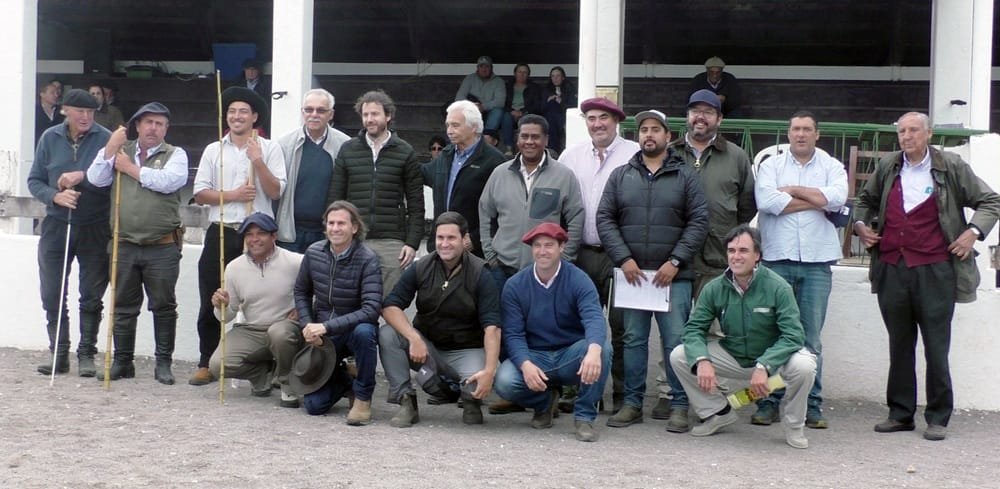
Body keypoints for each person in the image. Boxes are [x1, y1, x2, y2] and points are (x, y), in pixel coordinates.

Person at [854, 112, 1000, 441]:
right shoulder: (889, 165)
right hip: (893, 267)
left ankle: (938, 417)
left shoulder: (950, 166)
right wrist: (862, 227)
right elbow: (864, 200)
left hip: (935, 270)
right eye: (902, 131)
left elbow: (990, 200)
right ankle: (901, 414)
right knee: (900, 345)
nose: (906, 136)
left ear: (928, 133)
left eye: (913, 130)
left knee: (936, 346)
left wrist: (972, 233)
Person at [598, 109, 709, 432]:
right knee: (633, 339)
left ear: (668, 135)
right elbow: (605, 219)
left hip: (673, 277)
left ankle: (678, 405)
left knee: (676, 342)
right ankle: (632, 404)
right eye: (643, 129)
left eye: (655, 129)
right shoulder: (621, 175)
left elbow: (699, 221)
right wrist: (623, 259)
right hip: (633, 276)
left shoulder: (686, 175)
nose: (649, 134)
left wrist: (675, 261)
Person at [670, 225, 816, 449]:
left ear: (757, 255)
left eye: (743, 251)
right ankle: (718, 412)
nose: (736, 256)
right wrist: (702, 360)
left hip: (772, 363)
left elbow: (794, 335)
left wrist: (764, 365)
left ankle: (794, 425)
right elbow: (693, 330)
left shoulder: (778, 287)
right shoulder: (714, 287)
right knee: (680, 355)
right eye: (731, 250)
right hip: (735, 355)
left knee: (805, 365)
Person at [753, 110, 848, 428]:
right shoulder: (771, 165)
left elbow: (838, 200)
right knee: (773, 334)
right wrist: (816, 200)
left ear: (817, 134)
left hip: (817, 263)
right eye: (796, 129)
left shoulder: (832, 166)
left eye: (807, 129)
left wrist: (793, 190)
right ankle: (769, 402)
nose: (801, 134)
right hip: (776, 260)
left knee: (811, 339)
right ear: (788, 133)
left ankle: (812, 405)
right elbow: (767, 202)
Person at [189, 86, 286, 386]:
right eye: (232, 111)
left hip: (256, 234)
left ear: (254, 117)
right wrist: (233, 194)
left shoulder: (269, 148)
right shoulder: (212, 150)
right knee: (213, 296)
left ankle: (262, 366)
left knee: (262, 299)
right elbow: (200, 193)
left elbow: (275, 191)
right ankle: (207, 361)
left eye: (243, 111)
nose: (237, 116)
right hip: (222, 231)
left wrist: (257, 161)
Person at [86, 102, 188, 384]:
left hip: (162, 245)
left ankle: (163, 363)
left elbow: (169, 181)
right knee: (122, 306)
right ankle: (122, 362)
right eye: (148, 122)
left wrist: (129, 168)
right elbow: (95, 178)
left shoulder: (175, 154)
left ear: (166, 129)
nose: (153, 128)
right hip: (125, 244)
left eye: (159, 124)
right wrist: (110, 148)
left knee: (164, 306)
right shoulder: (119, 150)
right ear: (137, 125)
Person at [379, 212, 502, 427]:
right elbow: (390, 307)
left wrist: (490, 371)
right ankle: (406, 401)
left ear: (464, 240)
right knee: (388, 334)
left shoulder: (481, 273)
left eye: (451, 238)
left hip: (466, 349)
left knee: (476, 386)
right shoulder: (421, 267)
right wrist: (414, 339)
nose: (444, 244)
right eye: (440, 238)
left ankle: (469, 401)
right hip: (427, 346)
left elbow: (492, 328)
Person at [493, 222, 611, 442]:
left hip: (570, 354)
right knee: (504, 381)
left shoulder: (579, 279)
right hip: (535, 356)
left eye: (549, 245)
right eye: (537, 246)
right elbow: (513, 335)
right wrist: (525, 365)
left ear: (562, 247)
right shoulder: (515, 285)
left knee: (602, 349)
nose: (542, 251)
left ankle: (584, 417)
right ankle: (545, 403)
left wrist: (593, 351)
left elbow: (594, 317)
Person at [558, 97, 639, 414]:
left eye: (603, 118)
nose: (597, 124)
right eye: (591, 118)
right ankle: (575, 389)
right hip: (581, 252)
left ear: (616, 120)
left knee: (622, 328)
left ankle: (622, 394)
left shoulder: (633, 153)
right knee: (575, 324)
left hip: (622, 255)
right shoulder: (571, 155)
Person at [28, 89, 112, 376]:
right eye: (80, 111)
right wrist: (54, 196)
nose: (86, 117)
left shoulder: (106, 138)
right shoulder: (49, 138)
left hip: (95, 224)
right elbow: (35, 180)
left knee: (91, 293)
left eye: (90, 112)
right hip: (56, 224)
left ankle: (86, 352)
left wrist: (84, 177)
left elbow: (115, 177)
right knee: (52, 291)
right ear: (66, 110)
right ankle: (59, 352)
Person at [293, 201, 382, 425]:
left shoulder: (368, 258)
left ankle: (363, 396)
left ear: (354, 228)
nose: (335, 228)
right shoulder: (314, 253)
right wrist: (307, 324)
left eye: (341, 223)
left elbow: (371, 309)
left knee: (365, 332)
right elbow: (301, 291)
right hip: (322, 333)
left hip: (352, 332)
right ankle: (346, 380)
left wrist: (327, 327)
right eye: (331, 223)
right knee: (314, 407)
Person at [330, 90, 424, 295]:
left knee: (390, 304)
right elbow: (336, 199)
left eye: (375, 114)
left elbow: (416, 203)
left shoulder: (405, 151)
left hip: (392, 242)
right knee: (353, 301)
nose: (369, 119)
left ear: (388, 116)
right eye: (365, 115)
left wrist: (412, 242)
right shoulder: (348, 150)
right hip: (354, 239)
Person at [207, 213, 305, 407]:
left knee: (279, 333)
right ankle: (262, 375)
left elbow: (321, 290)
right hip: (252, 329)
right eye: (249, 234)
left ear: (274, 236)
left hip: (287, 327)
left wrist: (304, 309)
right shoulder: (234, 268)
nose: (254, 239)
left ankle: (287, 385)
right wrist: (220, 306)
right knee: (217, 365)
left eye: (261, 233)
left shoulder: (296, 261)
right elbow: (227, 317)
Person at [478, 114, 584, 290]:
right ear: (517, 138)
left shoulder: (564, 176)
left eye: (535, 137)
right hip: (502, 268)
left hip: (545, 270)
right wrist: (490, 255)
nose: (529, 141)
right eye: (524, 136)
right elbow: (485, 213)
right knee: (503, 318)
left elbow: (576, 218)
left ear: (546, 140)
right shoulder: (500, 174)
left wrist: (564, 258)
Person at [670, 89, 756, 296]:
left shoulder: (736, 156)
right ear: (687, 117)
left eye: (708, 112)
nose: (700, 117)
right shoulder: (670, 153)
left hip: (717, 258)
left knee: (712, 326)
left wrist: (724, 230)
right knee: (675, 328)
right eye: (694, 111)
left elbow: (747, 204)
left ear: (719, 119)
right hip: (674, 259)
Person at [422, 100, 506, 258]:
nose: (449, 131)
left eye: (455, 125)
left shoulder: (494, 161)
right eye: (447, 125)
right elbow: (422, 174)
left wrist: (475, 238)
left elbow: (503, 210)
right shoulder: (445, 155)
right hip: (441, 248)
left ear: (474, 127)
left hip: (475, 252)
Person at [275, 88, 351, 253]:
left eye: (321, 110)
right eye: (308, 110)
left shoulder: (345, 145)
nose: (314, 114)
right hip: (290, 233)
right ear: (302, 112)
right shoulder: (284, 144)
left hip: (328, 234)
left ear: (331, 114)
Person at [454, 55, 506, 135]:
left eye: (487, 66)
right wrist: (472, 106)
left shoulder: (499, 81)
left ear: (491, 68)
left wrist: (483, 107)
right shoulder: (469, 78)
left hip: (489, 112)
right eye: (481, 66)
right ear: (477, 68)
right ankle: (455, 142)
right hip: (471, 111)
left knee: (498, 111)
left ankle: (487, 138)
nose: (484, 69)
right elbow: (459, 98)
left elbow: (500, 102)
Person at [500, 63, 543, 147]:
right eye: (519, 72)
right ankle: (508, 147)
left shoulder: (534, 87)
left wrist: (523, 112)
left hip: (526, 112)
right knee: (506, 117)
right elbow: (502, 102)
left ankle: (522, 146)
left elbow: (537, 104)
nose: (522, 74)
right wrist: (511, 111)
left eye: (525, 72)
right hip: (510, 112)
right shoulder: (507, 86)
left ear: (528, 75)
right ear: (515, 73)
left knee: (527, 119)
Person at [541, 66, 576, 153]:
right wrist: (548, 100)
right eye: (553, 76)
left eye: (558, 76)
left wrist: (561, 101)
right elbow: (540, 108)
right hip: (550, 118)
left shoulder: (570, 88)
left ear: (563, 77)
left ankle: (554, 150)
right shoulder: (546, 89)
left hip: (564, 116)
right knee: (552, 108)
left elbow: (573, 106)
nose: (555, 78)